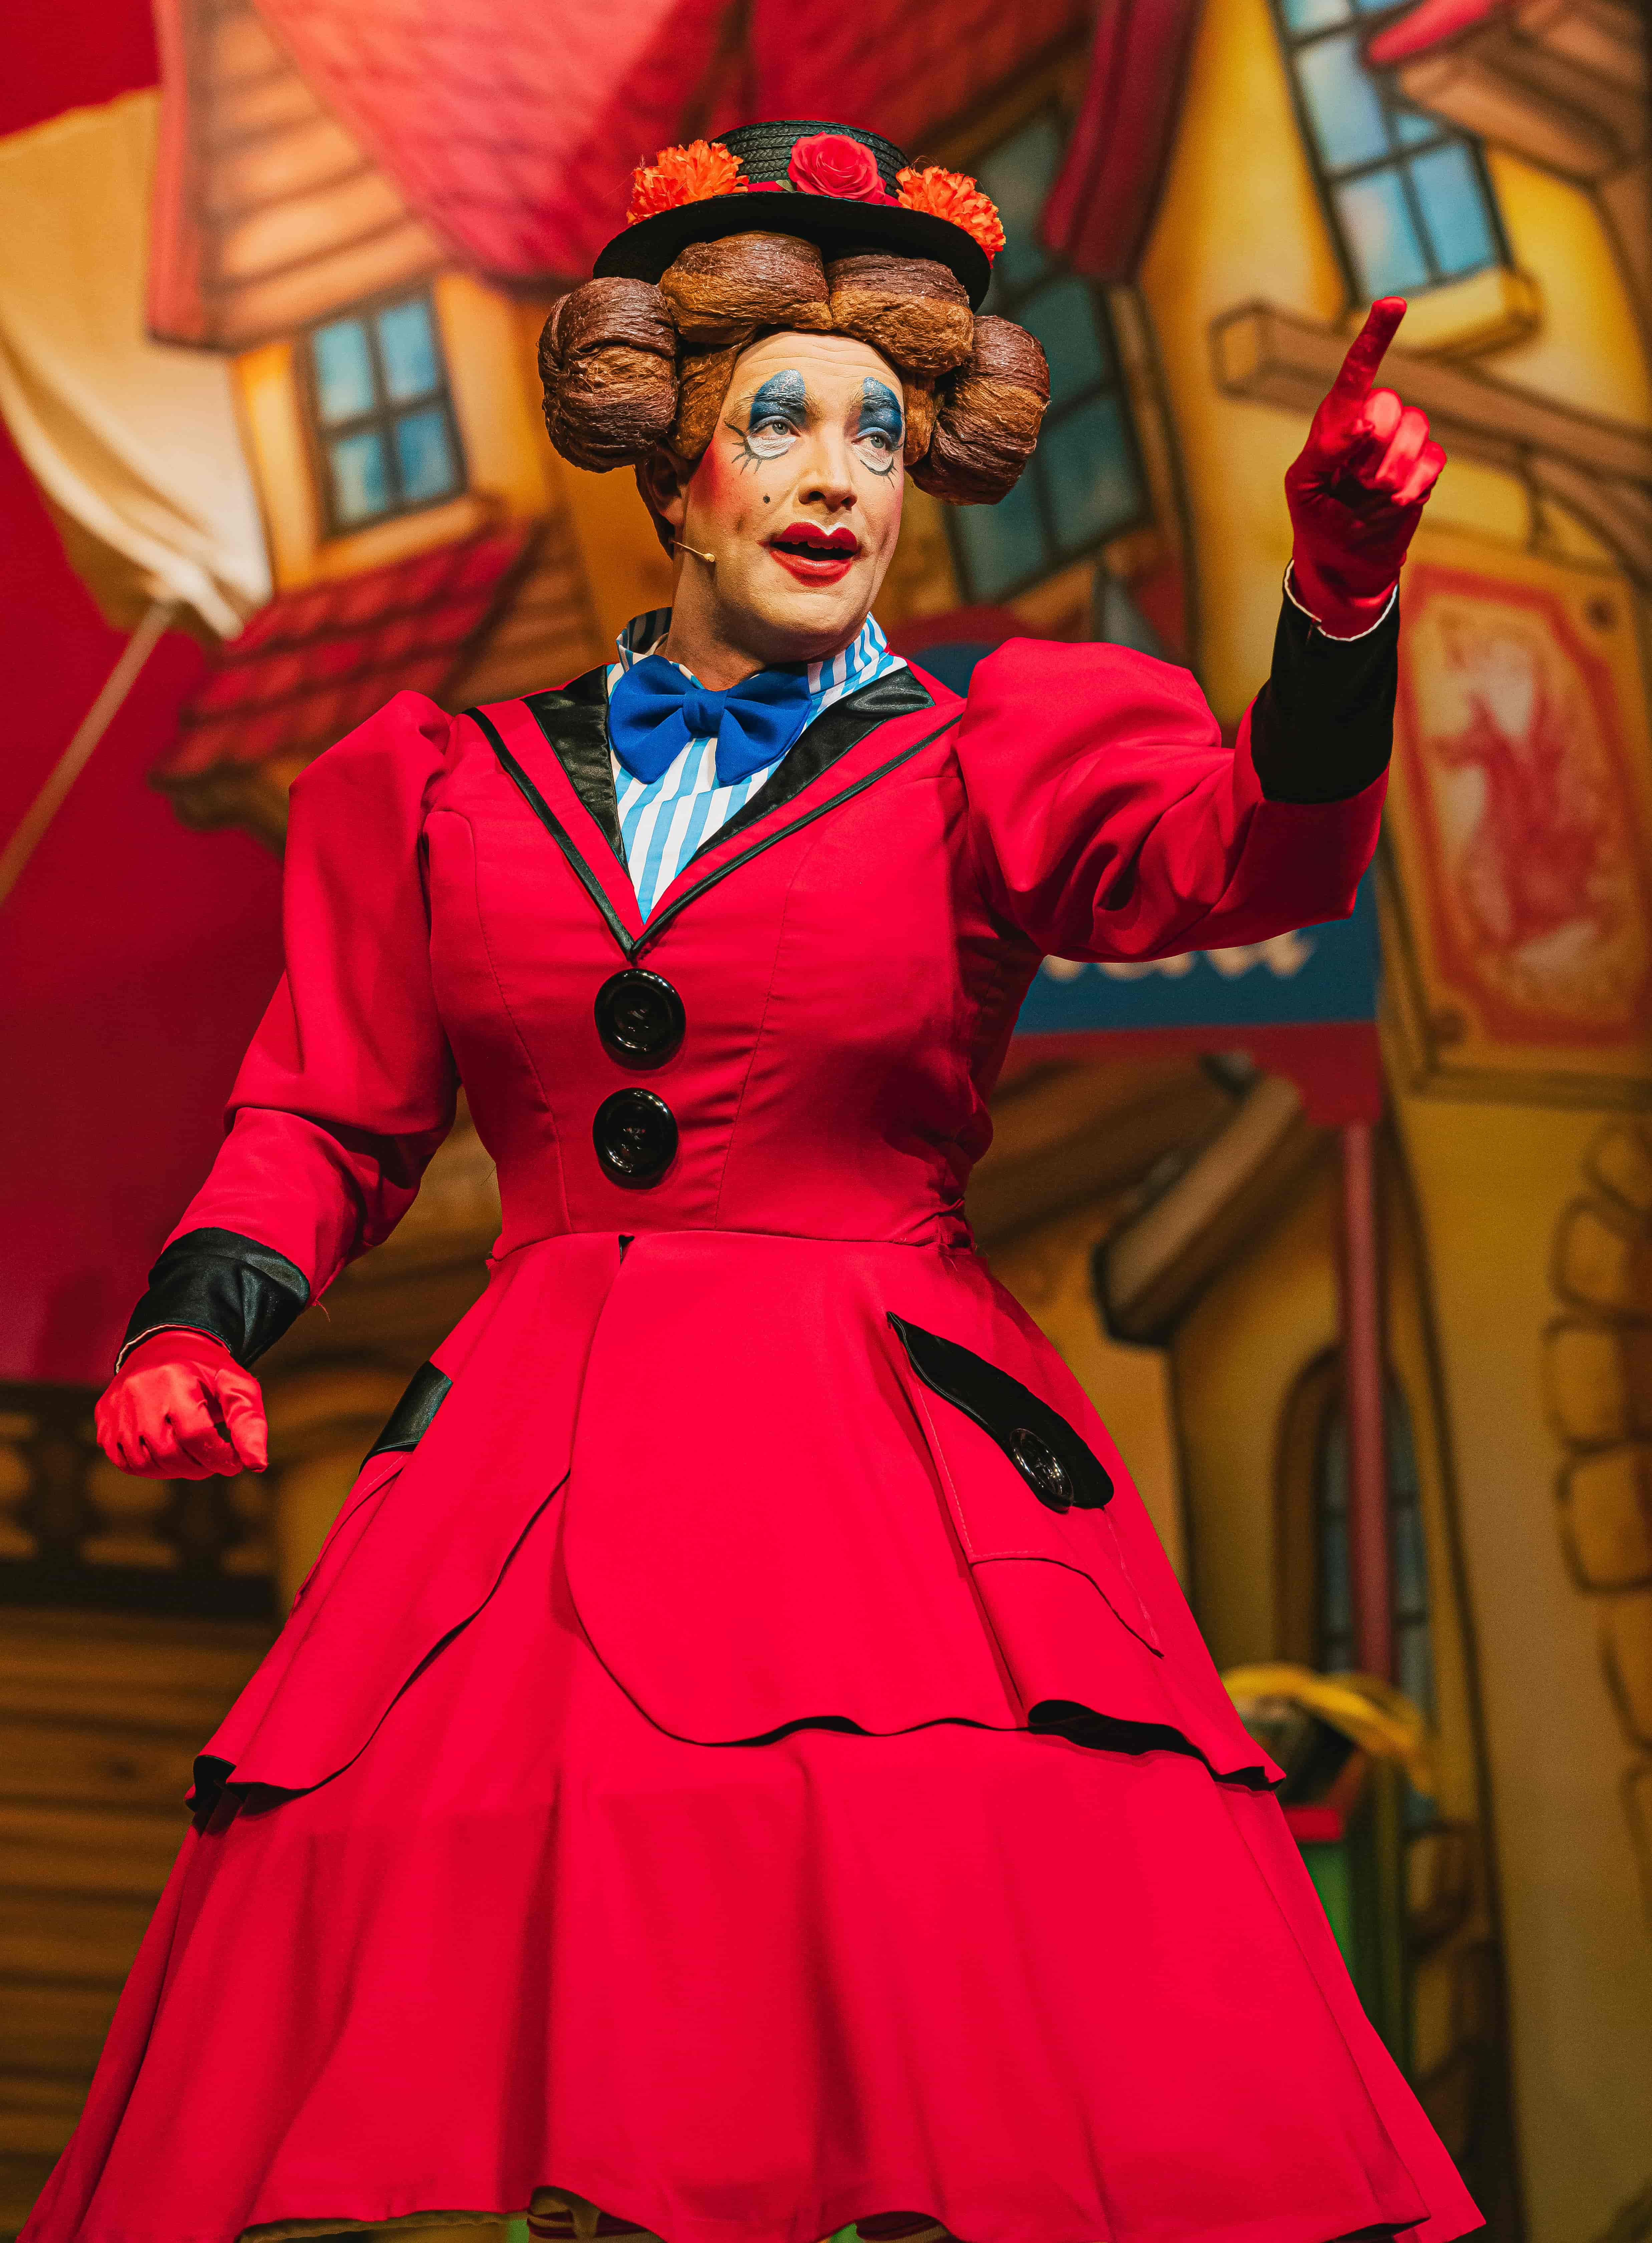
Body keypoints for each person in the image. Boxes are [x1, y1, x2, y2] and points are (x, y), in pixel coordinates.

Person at [26, 119, 1475, 2243]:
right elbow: (326, 1110)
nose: (833, 479)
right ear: (673, 459)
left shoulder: (984, 749)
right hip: (523, 1494)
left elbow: (1245, 849)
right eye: (779, 420)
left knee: (940, 2042)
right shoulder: (446, 784)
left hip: (884, 1486)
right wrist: (197, 1318)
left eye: (877, 436)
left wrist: (1336, 603)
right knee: (527, 2055)